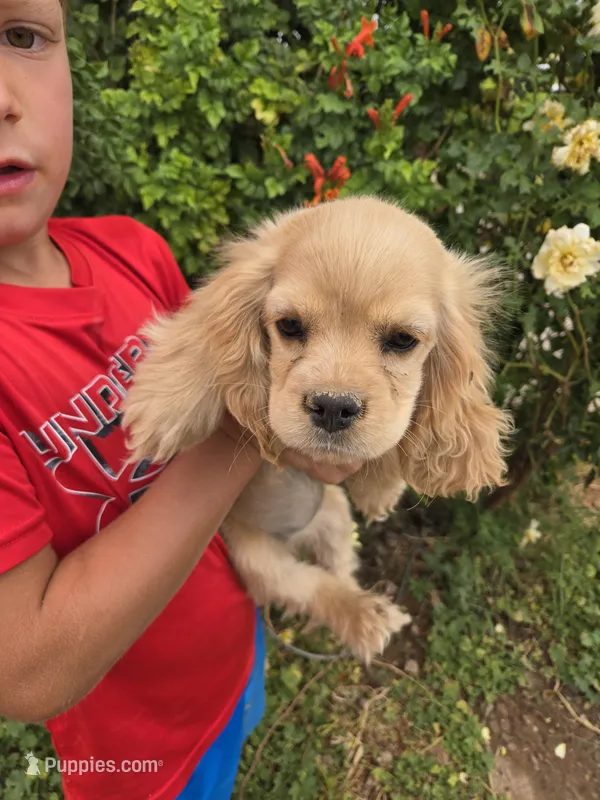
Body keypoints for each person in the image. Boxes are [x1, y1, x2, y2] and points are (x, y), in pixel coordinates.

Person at [0, 2, 362, 798]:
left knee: (232, 744)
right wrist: (258, 427)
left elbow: (232, 385)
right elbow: (26, 668)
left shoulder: (131, 249)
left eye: (20, 35)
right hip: (136, 753)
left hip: (231, 643)